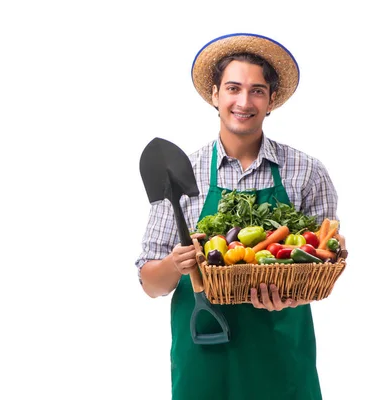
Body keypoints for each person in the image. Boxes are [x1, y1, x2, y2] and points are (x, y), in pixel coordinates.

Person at [135, 33, 339, 399]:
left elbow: (323, 263)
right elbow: (151, 284)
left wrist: (292, 296)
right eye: (233, 88)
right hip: (204, 350)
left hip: (280, 350)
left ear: (271, 100)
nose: (244, 101)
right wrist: (175, 263)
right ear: (215, 95)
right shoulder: (184, 171)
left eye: (257, 90)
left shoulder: (306, 172)